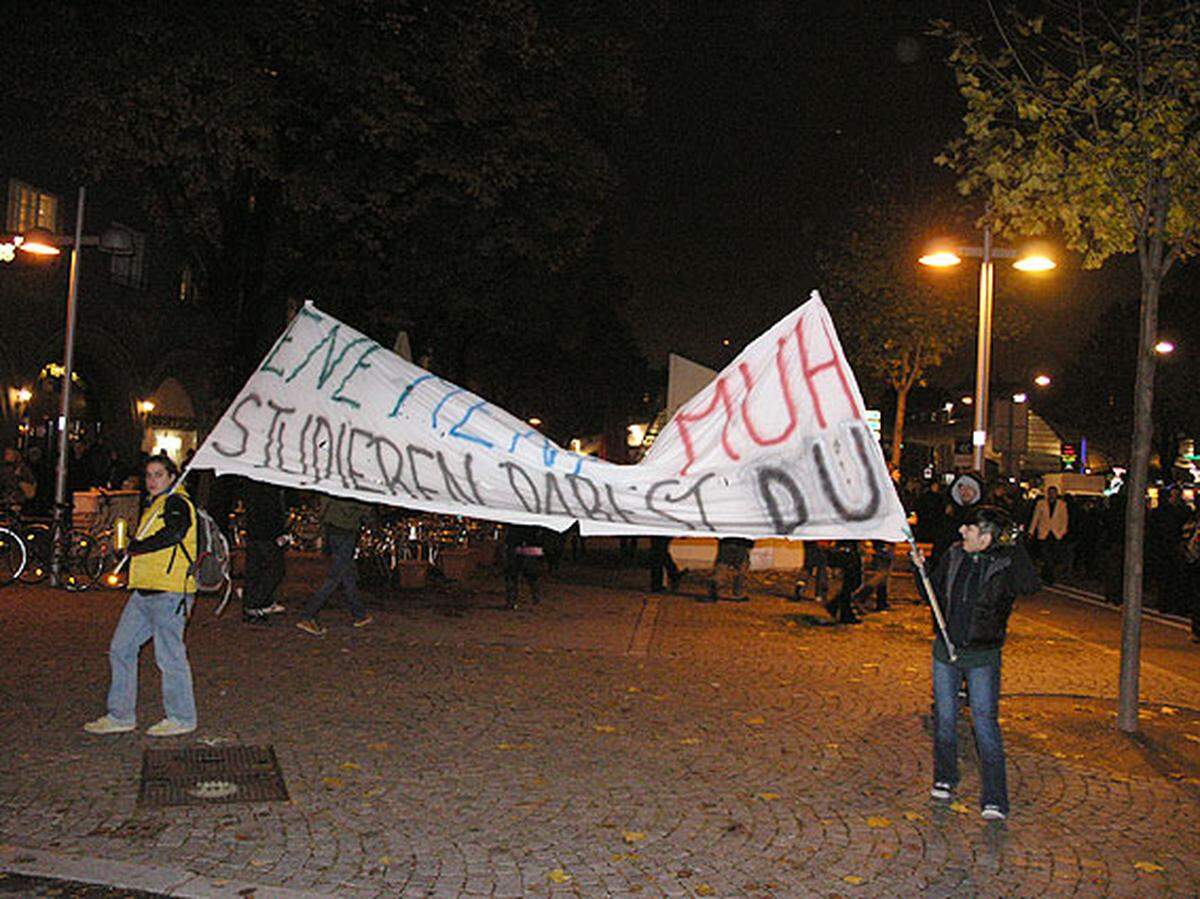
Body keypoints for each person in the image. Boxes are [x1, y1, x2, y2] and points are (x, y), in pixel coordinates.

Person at [913, 505, 1040, 820]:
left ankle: (995, 797)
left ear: (986, 538)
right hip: (947, 651)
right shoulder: (954, 556)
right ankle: (945, 777)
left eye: (969, 528)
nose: (961, 532)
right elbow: (932, 594)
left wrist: (1015, 542)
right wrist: (921, 570)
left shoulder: (1004, 565)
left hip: (982, 656)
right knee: (944, 719)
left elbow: (1031, 585)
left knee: (984, 723)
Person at [84, 454, 199, 737]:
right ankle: (121, 715)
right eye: (149, 475)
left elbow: (174, 533)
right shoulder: (156, 504)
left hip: (170, 591)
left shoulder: (176, 503)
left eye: (159, 474)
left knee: (169, 656)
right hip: (145, 591)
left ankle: (182, 717)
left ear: (172, 477)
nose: (152, 480)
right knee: (121, 648)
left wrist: (138, 547)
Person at [296, 495, 374, 635]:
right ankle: (308, 614)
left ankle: (359, 614)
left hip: (332, 528)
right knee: (335, 576)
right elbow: (363, 509)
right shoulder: (354, 487)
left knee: (346, 573)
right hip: (346, 529)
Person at [241, 479, 288, 624]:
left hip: (257, 531)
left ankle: (255, 603)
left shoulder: (253, 482)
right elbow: (270, 509)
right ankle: (255, 604)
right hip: (266, 532)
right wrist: (280, 532)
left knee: (256, 568)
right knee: (275, 568)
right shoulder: (266, 486)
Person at [1029, 486, 1068, 585]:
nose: (1052, 495)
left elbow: (1064, 520)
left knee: (1053, 556)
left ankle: (1047, 575)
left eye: (1053, 493)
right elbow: (1036, 518)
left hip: (1056, 533)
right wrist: (1031, 531)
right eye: (1050, 492)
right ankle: (1048, 576)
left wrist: (1062, 532)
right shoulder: (1041, 504)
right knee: (1046, 555)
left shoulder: (1062, 505)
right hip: (1044, 532)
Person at [504, 524, 546, 608]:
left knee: (513, 577)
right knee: (531, 577)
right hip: (531, 550)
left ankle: (512, 601)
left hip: (520, 549)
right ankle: (535, 598)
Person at [704, 536, 752, 603]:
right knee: (741, 564)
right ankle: (739, 592)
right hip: (743, 539)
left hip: (727, 539)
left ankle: (721, 592)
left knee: (723, 564)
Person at [0, 447, 37, 513]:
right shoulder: (5, 469)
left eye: (8, 453)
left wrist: (18, 480)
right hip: (5, 502)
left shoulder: (23, 469)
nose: (5, 455)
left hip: (17, 503)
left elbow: (31, 491)